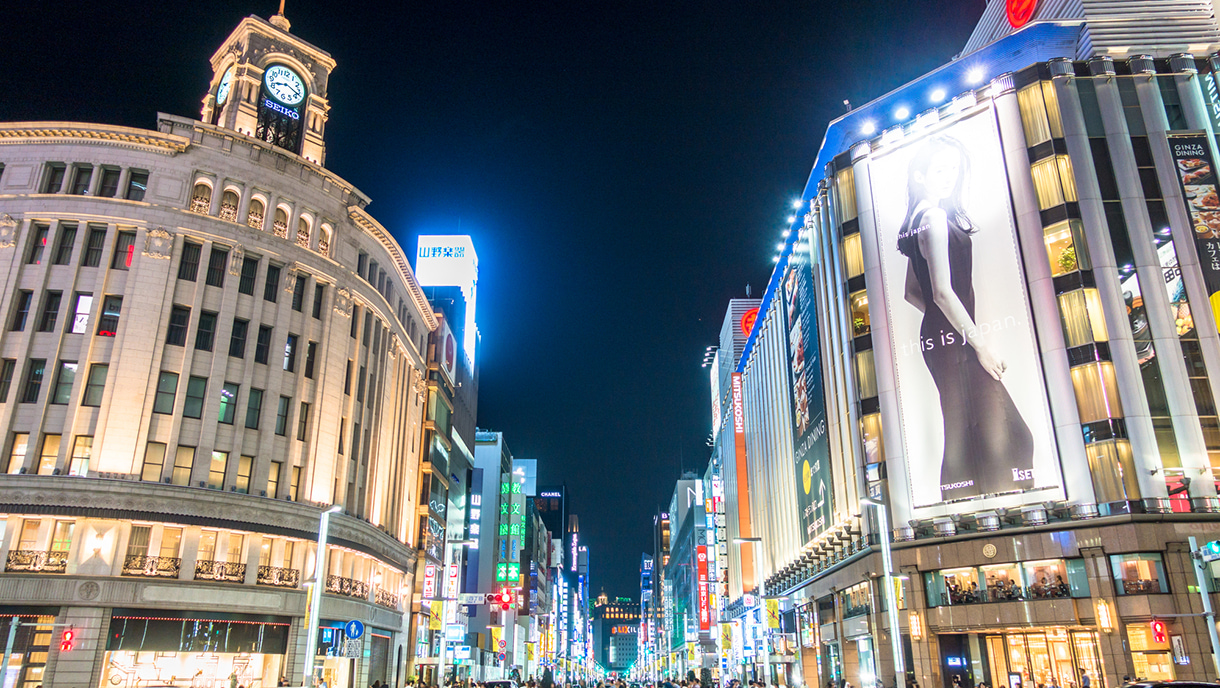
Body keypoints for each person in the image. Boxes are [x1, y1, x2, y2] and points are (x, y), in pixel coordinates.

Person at [897, 134, 1035, 498]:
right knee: (1001, 434)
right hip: (955, 340)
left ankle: (962, 509)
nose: (949, 176)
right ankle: (982, 512)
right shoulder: (935, 217)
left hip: (939, 338)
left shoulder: (917, 220)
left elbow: (914, 292)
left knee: (966, 431)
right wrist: (979, 344)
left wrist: (945, 324)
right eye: (939, 169)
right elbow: (941, 292)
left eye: (954, 169)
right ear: (921, 175)